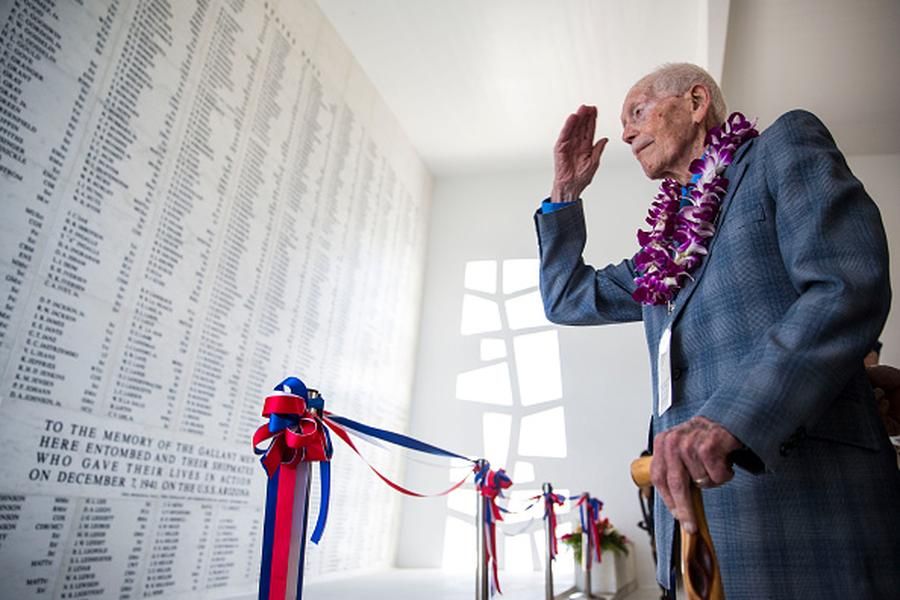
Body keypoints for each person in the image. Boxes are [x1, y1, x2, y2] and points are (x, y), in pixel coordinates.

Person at [534, 63, 900, 598]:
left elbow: (844, 285)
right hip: (694, 533)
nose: (628, 132)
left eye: (637, 113)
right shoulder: (660, 255)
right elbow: (567, 298)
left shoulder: (782, 149)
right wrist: (565, 190)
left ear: (697, 101)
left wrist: (730, 418)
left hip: (804, 509)